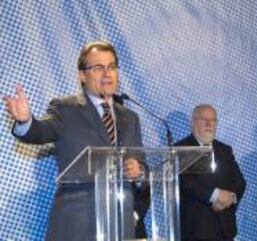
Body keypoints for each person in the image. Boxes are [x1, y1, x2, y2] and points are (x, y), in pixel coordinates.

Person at [4, 41, 149, 241]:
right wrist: (26, 121)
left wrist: (139, 172)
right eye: (98, 67)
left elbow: (142, 165)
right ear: (82, 75)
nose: (107, 74)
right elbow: (40, 131)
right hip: (77, 226)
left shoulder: (130, 117)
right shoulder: (66, 109)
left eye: (112, 67)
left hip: (121, 227)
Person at [174, 104, 246, 241]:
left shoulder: (225, 150)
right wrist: (215, 195)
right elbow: (186, 182)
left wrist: (229, 198)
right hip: (195, 229)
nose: (209, 124)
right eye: (204, 119)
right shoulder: (181, 149)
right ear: (193, 122)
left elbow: (240, 182)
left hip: (225, 228)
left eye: (213, 120)